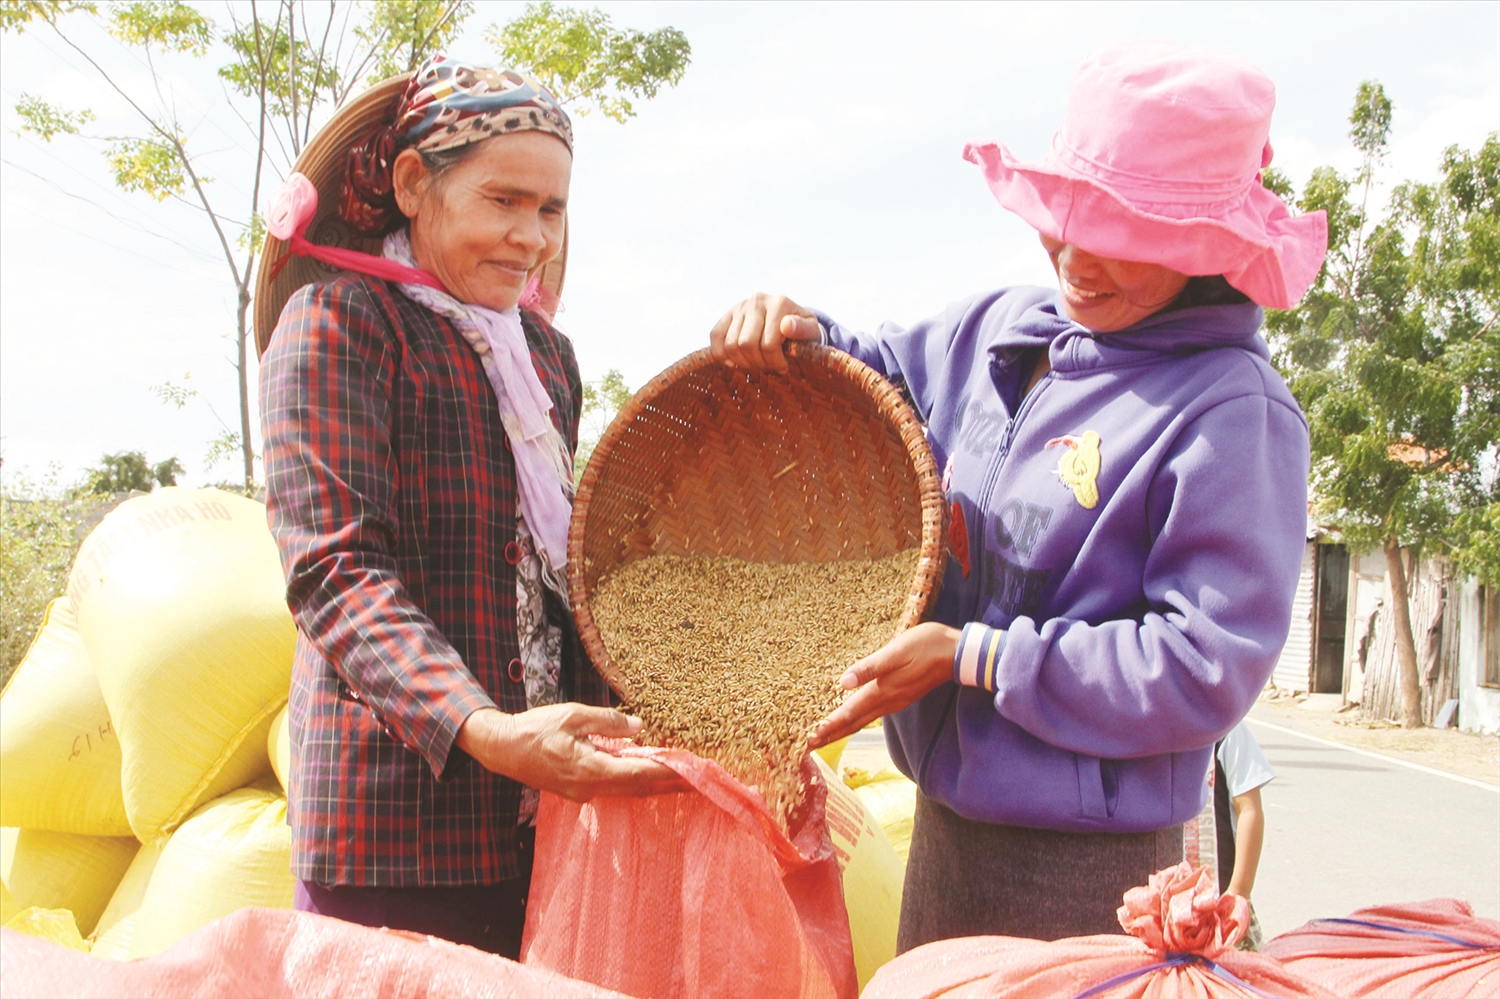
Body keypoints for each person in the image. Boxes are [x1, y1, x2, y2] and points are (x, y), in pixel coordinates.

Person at [710, 39, 1325, 946]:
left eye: (1121, 241)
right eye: (1065, 221)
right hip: (950, 838)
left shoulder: (1231, 412)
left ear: (1204, 250)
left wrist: (979, 657)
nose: (1075, 257)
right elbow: (875, 376)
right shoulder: (1002, 329)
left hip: (1090, 869)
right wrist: (797, 332)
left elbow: (1202, 664)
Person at [258, 56, 679, 957]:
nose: (532, 237)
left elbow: (559, 566)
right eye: (504, 202)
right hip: (396, 832)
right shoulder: (342, 322)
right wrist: (485, 728)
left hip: (533, 819)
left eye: (551, 210)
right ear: (414, 185)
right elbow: (334, 570)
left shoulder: (546, 358)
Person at [1214, 721, 1276, 948]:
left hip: (1220, 899)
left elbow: (1249, 808)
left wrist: (1239, 892)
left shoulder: (1225, 727)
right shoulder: (1151, 727)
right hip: (1161, 908)